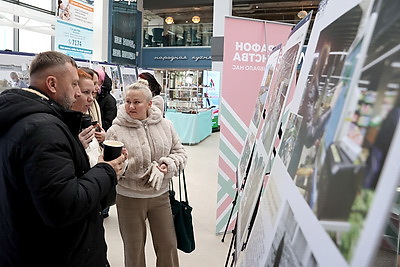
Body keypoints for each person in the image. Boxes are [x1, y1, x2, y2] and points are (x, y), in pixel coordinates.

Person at [0, 51, 127, 266]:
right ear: (52, 84)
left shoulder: (22, 119)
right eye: (74, 85)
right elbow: (64, 207)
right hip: (54, 252)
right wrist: (106, 170)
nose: (79, 93)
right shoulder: (43, 130)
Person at [106, 80, 187, 267]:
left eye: (137, 102)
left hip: (160, 196)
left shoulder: (165, 125)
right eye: (127, 101)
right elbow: (111, 167)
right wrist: (124, 164)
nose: (131, 106)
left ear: (149, 104)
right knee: (134, 250)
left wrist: (167, 165)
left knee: (168, 245)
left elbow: (180, 153)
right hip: (129, 197)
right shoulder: (116, 130)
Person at [79, 67, 106, 144]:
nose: (97, 87)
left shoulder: (95, 103)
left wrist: (102, 135)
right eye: (95, 83)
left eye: (98, 83)